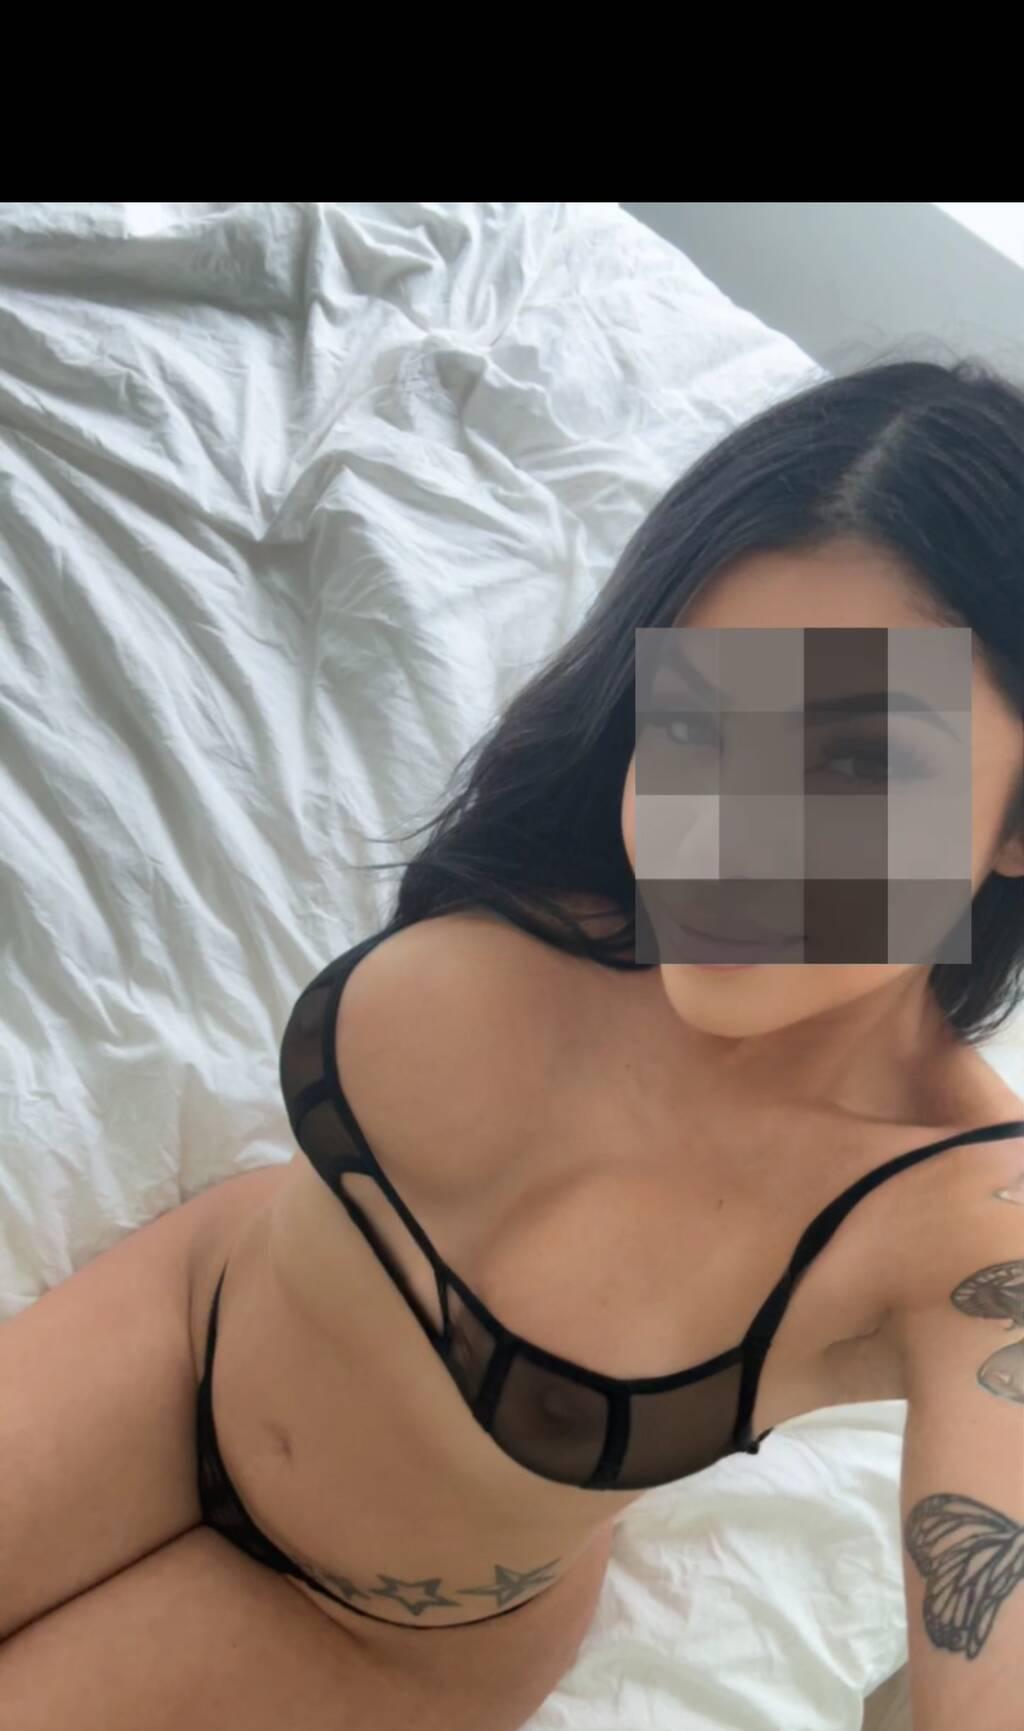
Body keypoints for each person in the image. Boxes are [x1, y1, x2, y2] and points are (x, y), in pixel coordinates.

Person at [2, 357, 1022, 1731]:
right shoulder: (570, 851)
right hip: (188, 1323)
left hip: (367, 1635)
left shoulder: (966, 1225)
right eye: (704, 719)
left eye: (856, 763)